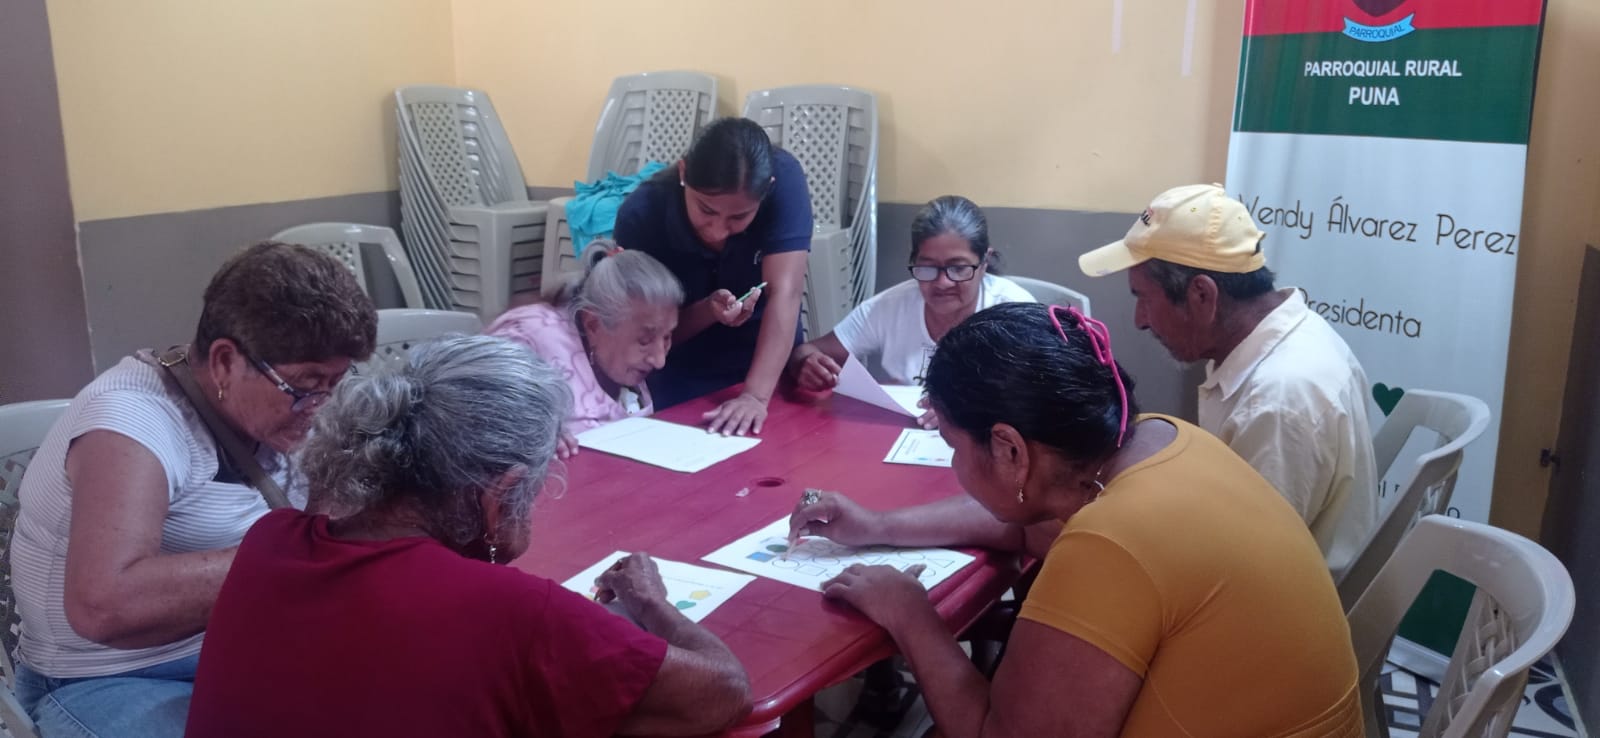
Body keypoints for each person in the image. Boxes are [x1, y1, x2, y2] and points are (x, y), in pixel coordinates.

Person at [788, 302, 1361, 736]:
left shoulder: (1109, 543)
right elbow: (1026, 523)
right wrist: (877, 526)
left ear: (1011, 450)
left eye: (954, 446)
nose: (956, 465)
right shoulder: (1160, 440)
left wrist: (911, 613)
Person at [186, 335, 752, 737]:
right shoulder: (514, 612)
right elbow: (723, 692)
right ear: (500, 496)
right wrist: (652, 602)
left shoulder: (270, 541)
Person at [11, 242, 377, 737]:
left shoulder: (279, 410)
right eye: (306, 385)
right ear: (225, 361)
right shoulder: (131, 421)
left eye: (335, 383)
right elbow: (105, 605)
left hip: (240, 646)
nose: (321, 405)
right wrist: (297, 551)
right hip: (105, 679)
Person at [1078, 183, 1378, 579]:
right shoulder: (1276, 337)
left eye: (1143, 298)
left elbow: (1244, 571)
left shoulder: (1277, 402)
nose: (1140, 320)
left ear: (1202, 296)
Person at [614, 117, 812, 436]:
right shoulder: (643, 214)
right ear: (683, 173)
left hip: (767, 359)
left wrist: (754, 396)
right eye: (706, 210)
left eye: (739, 216)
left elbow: (785, 293)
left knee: (790, 455)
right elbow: (649, 333)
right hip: (681, 364)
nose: (719, 231)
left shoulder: (784, 179)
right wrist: (708, 311)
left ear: (768, 190)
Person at [786, 196, 1034, 428]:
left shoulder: (1012, 312)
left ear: (984, 262)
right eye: (927, 267)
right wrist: (806, 364)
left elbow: (1036, 395)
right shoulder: (890, 307)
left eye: (958, 268)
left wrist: (969, 409)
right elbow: (807, 351)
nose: (942, 283)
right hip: (906, 436)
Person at [485, 240, 683, 458]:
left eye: (667, 337)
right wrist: (527, 433)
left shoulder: (625, 359)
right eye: (644, 340)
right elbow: (473, 416)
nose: (659, 360)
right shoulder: (525, 338)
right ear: (594, 324)